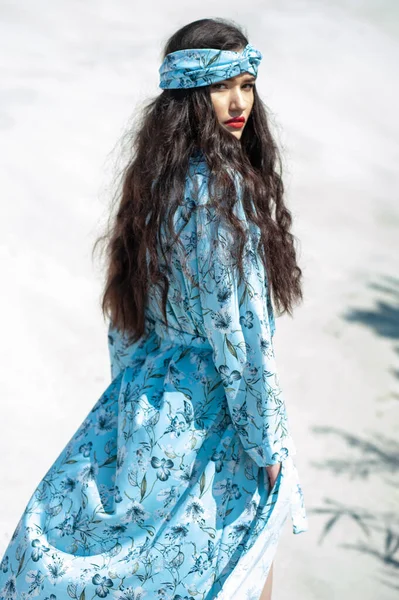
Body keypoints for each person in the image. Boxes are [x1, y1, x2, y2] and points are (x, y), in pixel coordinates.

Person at [0, 17, 308, 600]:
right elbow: (240, 335)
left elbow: (125, 318)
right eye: (220, 86)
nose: (238, 101)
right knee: (243, 561)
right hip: (213, 411)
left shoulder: (152, 185)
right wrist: (268, 445)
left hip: (144, 397)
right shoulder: (225, 195)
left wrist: (127, 414)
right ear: (191, 95)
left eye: (246, 83)